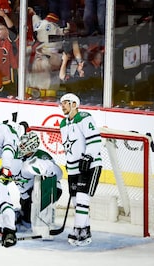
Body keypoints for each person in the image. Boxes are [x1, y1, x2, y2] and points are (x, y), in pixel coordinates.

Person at [59, 93, 102, 246]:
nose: (62, 105)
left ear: (74, 104)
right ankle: (85, 230)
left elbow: (95, 139)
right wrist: (69, 164)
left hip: (89, 165)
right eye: (61, 103)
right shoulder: (63, 124)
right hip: (73, 168)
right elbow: (69, 148)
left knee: (83, 198)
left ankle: (78, 229)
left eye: (66, 103)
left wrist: (88, 156)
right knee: (77, 201)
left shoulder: (84, 117)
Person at [13, 131, 63, 230]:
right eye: (21, 144)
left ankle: (44, 220)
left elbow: (57, 174)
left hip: (43, 190)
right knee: (28, 221)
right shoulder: (15, 155)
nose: (21, 146)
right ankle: (22, 216)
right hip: (26, 194)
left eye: (24, 144)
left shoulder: (42, 156)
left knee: (38, 213)